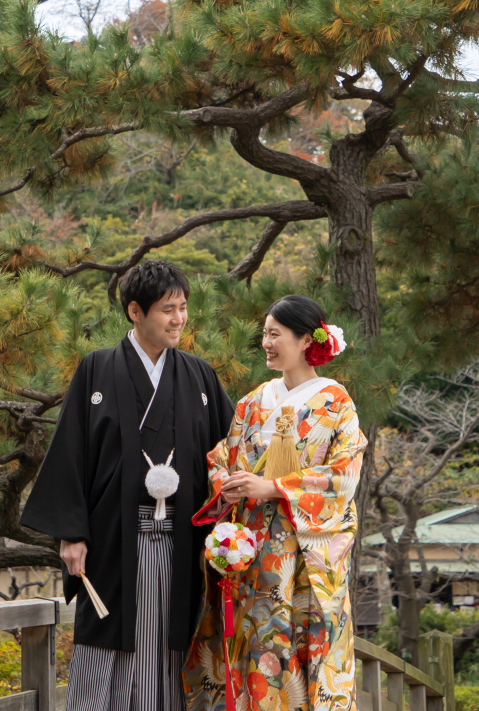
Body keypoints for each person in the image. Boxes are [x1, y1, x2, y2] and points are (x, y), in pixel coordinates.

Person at [21, 259, 234, 711]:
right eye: (167, 309)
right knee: (109, 641)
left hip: (184, 542)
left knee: (176, 641)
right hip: (113, 540)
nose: (179, 319)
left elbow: (232, 456)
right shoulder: (96, 370)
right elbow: (70, 453)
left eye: (183, 308)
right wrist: (71, 534)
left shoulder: (200, 377)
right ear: (135, 312)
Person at [183, 295, 366, 711]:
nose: (266, 342)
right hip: (253, 552)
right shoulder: (251, 402)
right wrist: (226, 484)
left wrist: (273, 488)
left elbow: (343, 475)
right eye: (264, 333)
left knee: (299, 646)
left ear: (306, 340)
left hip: (303, 554)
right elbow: (222, 458)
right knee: (252, 642)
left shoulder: (336, 402)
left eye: (275, 334)